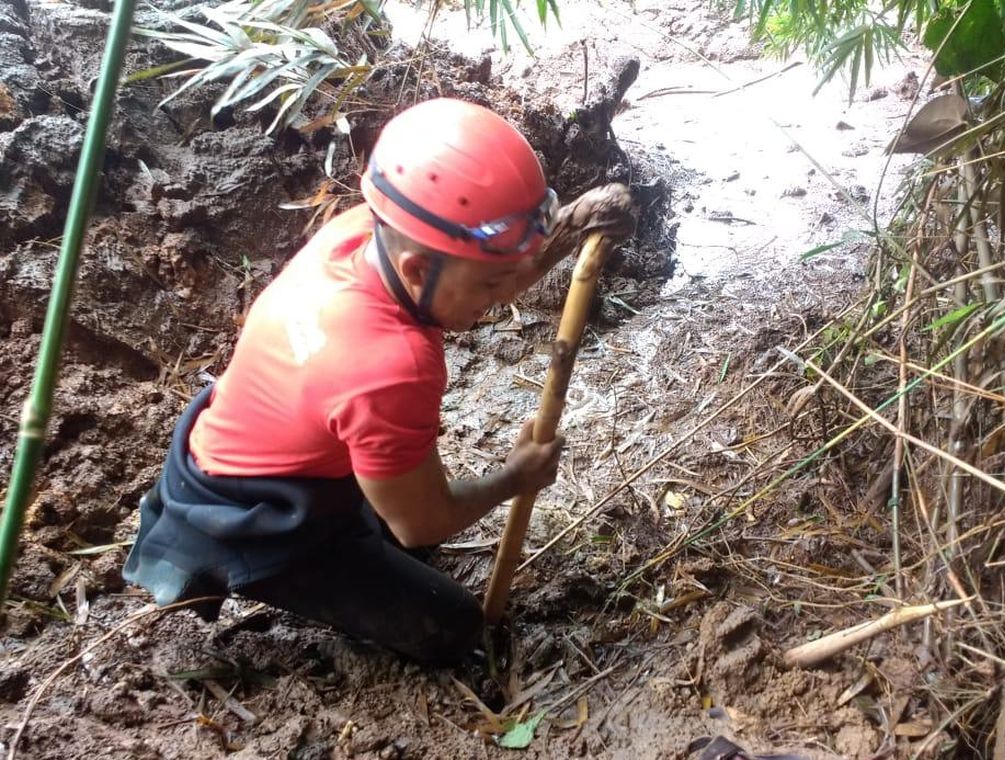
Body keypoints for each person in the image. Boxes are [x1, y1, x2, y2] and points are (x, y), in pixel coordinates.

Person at [122, 97, 635, 666]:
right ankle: (252, 570)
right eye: (491, 290)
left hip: (247, 446)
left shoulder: (366, 233)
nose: (498, 302)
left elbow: (483, 266)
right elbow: (421, 522)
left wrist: (567, 228)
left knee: (417, 528)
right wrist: (516, 476)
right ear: (418, 269)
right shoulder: (392, 365)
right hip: (254, 517)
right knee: (451, 624)